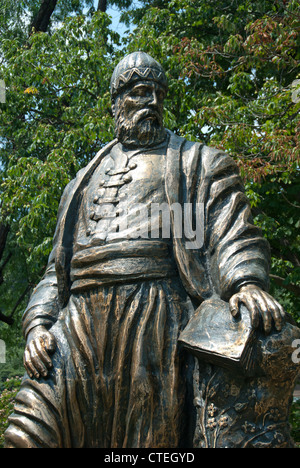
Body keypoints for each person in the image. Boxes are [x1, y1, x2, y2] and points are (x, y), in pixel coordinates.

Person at [4, 52, 286, 448]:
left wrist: (245, 282)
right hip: (76, 325)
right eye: (139, 92)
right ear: (116, 103)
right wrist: (37, 326)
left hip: (153, 319)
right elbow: (56, 272)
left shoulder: (191, 164)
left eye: (157, 93)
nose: (151, 102)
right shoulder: (81, 182)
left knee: (148, 445)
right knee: (26, 435)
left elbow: (226, 232)